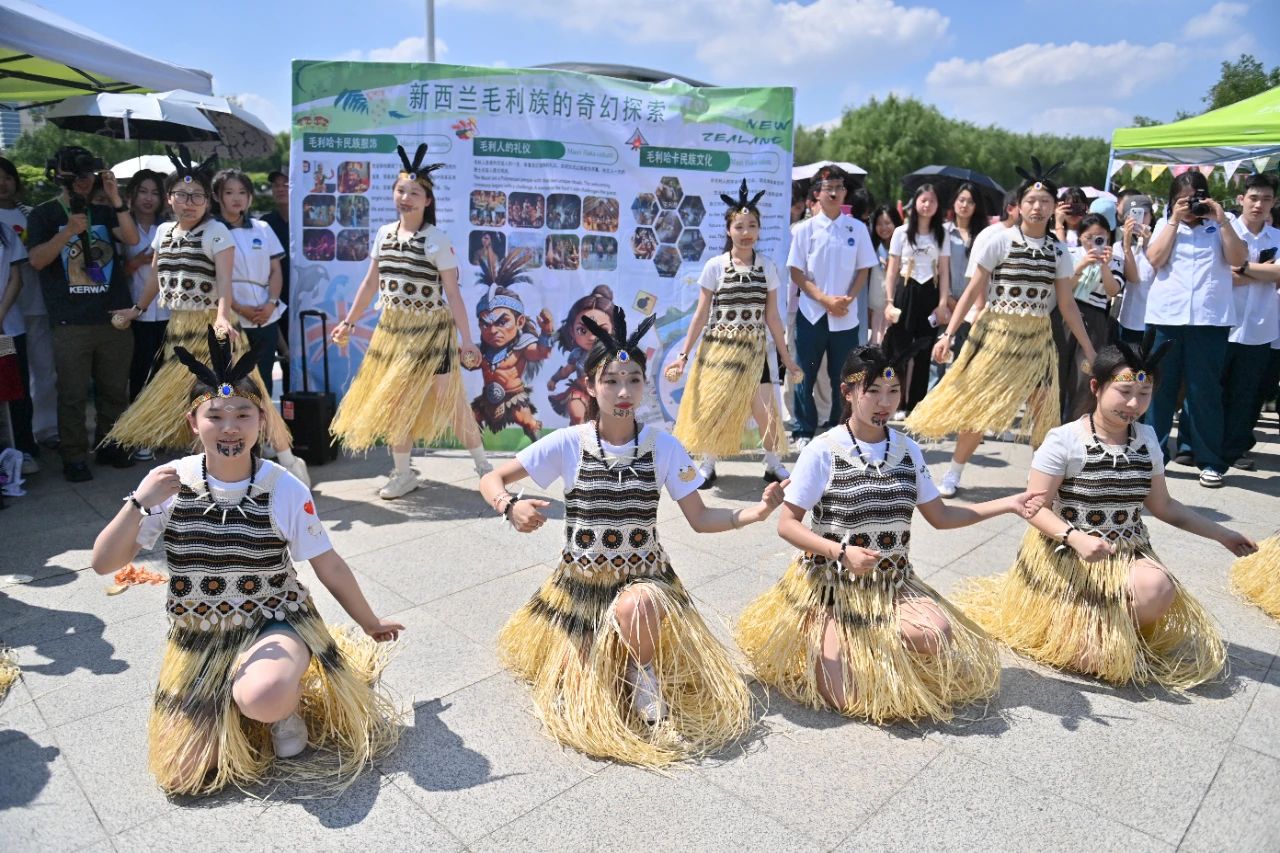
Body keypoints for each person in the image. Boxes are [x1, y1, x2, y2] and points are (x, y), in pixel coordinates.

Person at [89, 327, 401, 795]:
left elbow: (328, 564)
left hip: (272, 621)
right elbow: (103, 563)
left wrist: (369, 620)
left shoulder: (283, 487)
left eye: (242, 414)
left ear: (262, 420)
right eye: (215, 415)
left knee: (263, 696)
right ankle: (226, 698)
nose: (230, 427)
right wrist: (138, 503)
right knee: (185, 777)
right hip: (201, 635)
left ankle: (279, 705)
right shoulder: (168, 484)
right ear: (193, 422)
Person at [479, 307, 783, 767]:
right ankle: (600, 656)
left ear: (644, 385)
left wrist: (755, 513)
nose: (623, 392)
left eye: (633, 380)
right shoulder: (569, 442)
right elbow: (491, 479)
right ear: (590, 386)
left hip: (645, 580)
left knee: (636, 607)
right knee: (580, 693)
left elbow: (701, 517)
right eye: (611, 381)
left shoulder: (663, 446)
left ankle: (644, 673)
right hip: (581, 587)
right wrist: (510, 506)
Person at [736, 345, 1043, 722]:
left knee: (935, 633)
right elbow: (787, 524)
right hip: (833, 586)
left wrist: (1009, 504)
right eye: (873, 392)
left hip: (891, 583)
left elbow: (941, 516)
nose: (885, 403)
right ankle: (824, 624)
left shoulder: (908, 450)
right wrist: (840, 553)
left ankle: (870, 637)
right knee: (843, 697)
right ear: (848, 393)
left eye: (893, 392)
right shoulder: (823, 450)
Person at [955, 343, 1257, 690]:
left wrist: (1222, 535)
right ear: (1096, 387)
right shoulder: (1064, 440)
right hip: (1066, 554)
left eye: (1144, 394)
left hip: (1125, 551)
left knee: (1157, 588)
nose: (1134, 404)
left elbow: (1164, 506)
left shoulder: (1147, 440)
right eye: (1124, 392)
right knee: (1089, 659)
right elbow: (1034, 508)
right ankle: (1081, 626)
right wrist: (1074, 538)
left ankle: (1117, 632)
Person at [106, 148, 309, 486]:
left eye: (197, 195)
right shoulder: (164, 232)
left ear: (207, 200)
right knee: (196, 402)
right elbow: (155, 277)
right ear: (169, 198)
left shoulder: (216, 232)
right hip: (179, 329)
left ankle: (288, 459)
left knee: (247, 394)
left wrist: (223, 318)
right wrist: (137, 309)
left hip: (214, 329)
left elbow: (224, 281)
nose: (189, 202)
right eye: (182, 194)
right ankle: (211, 470)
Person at [908, 158, 1097, 498]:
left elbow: (1067, 305)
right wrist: (948, 335)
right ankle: (953, 472)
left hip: (1038, 339)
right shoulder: (999, 240)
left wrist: (1089, 348)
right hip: (997, 335)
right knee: (980, 409)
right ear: (1018, 206)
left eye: (1044, 202)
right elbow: (972, 290)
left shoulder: (1058, 251)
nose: (1037, 207)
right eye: (1031, 201)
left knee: (1044, 413)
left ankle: (1044, 480)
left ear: (1053, 207)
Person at [330, 143, 489, 498]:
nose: (405, 198)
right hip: (394, 332)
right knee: (396, 401)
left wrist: (467, 340)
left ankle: (485, 468)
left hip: (432, 334)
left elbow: (454, 294)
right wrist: (349, 322)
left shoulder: (437, 240)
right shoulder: (384, 234)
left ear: (427, 201)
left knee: (451, 401)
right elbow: (370, 283)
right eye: (401, 190)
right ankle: (403, 473)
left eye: (414, 193)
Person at [668, 180, 802, 486]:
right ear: (729, 230)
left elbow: (773, 317)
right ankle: (708, 464)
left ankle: (773, 464)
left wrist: (787, 359)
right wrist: (683, 355)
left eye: (752, 225)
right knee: (714, 407)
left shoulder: (767, 267)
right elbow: (701, 314)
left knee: (766, 410)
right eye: (739, 226)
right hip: (718, 348)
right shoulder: (715, 266)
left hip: (754, 351)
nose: (746, 232)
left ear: (759, 230)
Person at [25, 145, 138, 482]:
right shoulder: (44, 214)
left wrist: (115, 198)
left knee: (114, 389)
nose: (83, 180)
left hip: (112, 317)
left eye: (88, 174)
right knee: (72, 394)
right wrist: (67, 233)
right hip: (70, 321)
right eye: (75, 174)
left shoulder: (103, 211)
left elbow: (131, 238)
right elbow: (36, 261)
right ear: (59, 175)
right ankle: (74, 455)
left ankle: (110, 444)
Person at [1143, 170, 1248, 488]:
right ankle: (1153, 458)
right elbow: (1154, 259)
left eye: (1196, 199)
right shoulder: (1165, 223)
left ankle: (1211, 461)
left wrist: (1221, 219)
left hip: (1209, 320)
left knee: (1205, 392)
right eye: (1183, 200)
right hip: (1167, 318)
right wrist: (1174, 221)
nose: (1190, 206)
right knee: (1160, 391)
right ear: (1172, 201)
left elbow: (1239, 259)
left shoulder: (1223, 222)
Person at [787, 166, 876, 447]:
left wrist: (848, 298)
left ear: (846, 192)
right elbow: (796, 271)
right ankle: (803, 429)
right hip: (812, 314)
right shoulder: (805, 229)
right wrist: (825, 300)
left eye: (839, 187)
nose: (834, 193)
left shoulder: (856, 228)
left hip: (845, 316)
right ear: (817, 193)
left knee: (845, 375)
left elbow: (864, 269)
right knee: (805, 373)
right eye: (828, 188)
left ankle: (841, 426)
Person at [1221, 174, 1280, 472]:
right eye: (1254, 198)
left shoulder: (1277, 238)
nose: (1259, 204)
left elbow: (1278, 274)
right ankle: (1198, 445)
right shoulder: (1226, 232)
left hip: (1260, 327)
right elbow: (1221, 275)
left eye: (1266, 199)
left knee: (1247, 394)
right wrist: (1261, 272)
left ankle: (1235, 449)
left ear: (1274, 202)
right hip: (1223, 324)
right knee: (1213, 389)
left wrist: (1242, 267)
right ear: (1241, 199)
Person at [0, 156, 54, 472]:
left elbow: (18, 276)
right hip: (10, 319)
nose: (3, 183)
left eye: (8, 177)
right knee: (10, 382)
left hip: (28, 311)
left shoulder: (31, 215)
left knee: (38, 373)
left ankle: (41, 434)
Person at [214, 169, 286, 396]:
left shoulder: (262, 228)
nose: (236, 198)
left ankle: (264, 419)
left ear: (250, 197)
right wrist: (237, 307)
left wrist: (271, 303)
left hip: (266, 316)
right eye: (229, 192)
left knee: (263, 380)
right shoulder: (211, 230)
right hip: (231, 318)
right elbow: (213, 277)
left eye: (242, 192)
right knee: (234, 381)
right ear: (217, 196)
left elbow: (276, 270)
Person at [883, 184, 950, 414]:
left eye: (932, 201)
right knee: (899, 352)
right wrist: (889, 302)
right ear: (915, 203)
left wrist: (942, 303)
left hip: (929, 293)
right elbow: (892, 270)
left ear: (937, 205)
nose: (927, 205)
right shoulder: (901, 232)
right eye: (923, 200)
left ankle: (916, 407)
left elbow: (944, 271)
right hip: (905, 291)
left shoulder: (941, 234)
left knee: (923, 352)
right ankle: (896, 403)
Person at [1055, 212, 1124, 421]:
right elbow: (1063, 287)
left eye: (1100, 237)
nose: (1094, 242)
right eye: (1089, 237)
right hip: (1065, 314)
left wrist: (1104, 265)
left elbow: (1113, 290)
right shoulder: (1070, 254)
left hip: (1095, 320)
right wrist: (1083, 264)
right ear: (1080, 236)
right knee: (1056, 373)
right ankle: (1050, 425)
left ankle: (1075, 425)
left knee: (1083, 377)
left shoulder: (1115, 261)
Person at [121, 170, 169, 462]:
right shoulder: (122, 227)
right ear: (131, 195)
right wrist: (139, 260)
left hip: (167, 312)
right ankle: (141, 434)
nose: (149, 198)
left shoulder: (169, 226)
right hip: (134, 313)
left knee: (164, 373)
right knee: (139, 373)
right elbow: (118, 270)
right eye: (143, 191)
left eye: (154, 192)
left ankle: (162, 430)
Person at [932, 183, 989, 387]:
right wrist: (947, 298)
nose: (964, 205)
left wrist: (975, 306)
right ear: (954, 202)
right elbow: (938, 268)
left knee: (964, 359)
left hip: (973, 305)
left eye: (970, 202)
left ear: (976, 206)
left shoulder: (983, 235)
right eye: (961, 200)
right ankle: (932, 398)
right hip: (945, 302)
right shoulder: (943, 231)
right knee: (938, 357)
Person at [0, 202, 35, 464]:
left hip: (6, 330)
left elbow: (16, 279)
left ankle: (23, 451)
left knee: (13, 387)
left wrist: (0, 315)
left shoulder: (5, 232)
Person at [260, 170, 291, 392]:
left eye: (285, 184)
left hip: (304, 298)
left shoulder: (307, 219)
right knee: (279, 358)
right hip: (273, 300)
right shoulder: (265, 223)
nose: (280, 188)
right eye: (276, 185)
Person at [1114, 193, 1155, 345]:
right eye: (1132, 216)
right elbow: (1132, 278)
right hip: (1131, 319)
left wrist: (1149, 242)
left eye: (1144, 214)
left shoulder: (1161, 242)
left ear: (1151, 216)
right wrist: (1126, 245)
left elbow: (1162, 271)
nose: (1139, 220)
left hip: (1157, 318)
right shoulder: (1119, 247)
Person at [867, 204, 901, 346]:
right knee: (876, 339)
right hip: (876, 305)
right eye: (879, 224)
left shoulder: (903, 245)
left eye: (887, 223)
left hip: (894, 303)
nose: (883, 227)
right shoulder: (872, 245)